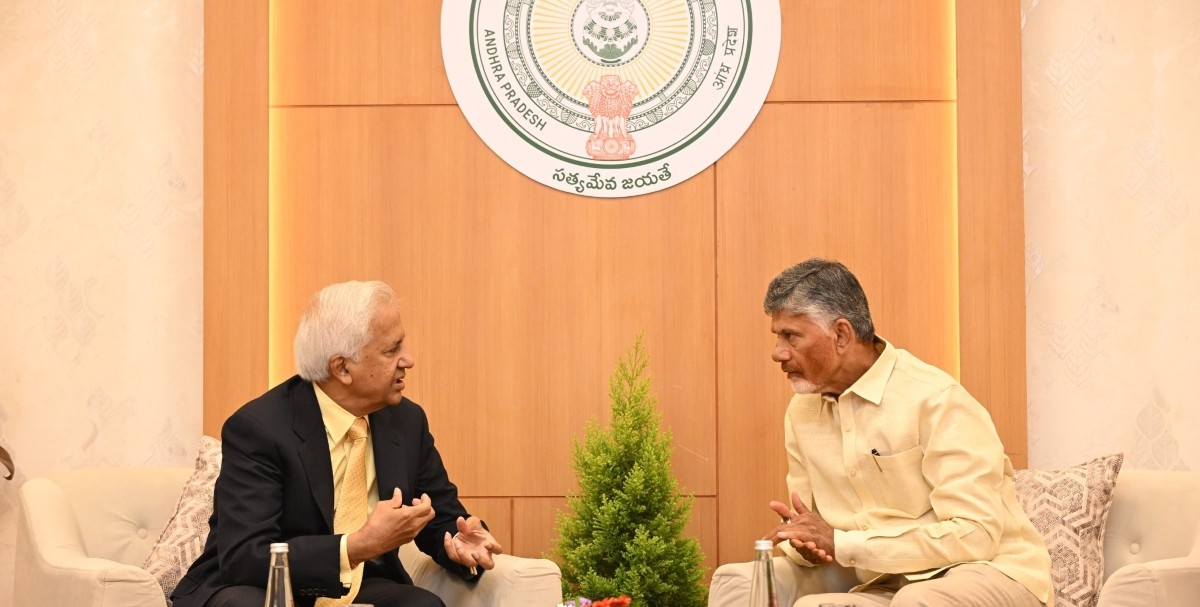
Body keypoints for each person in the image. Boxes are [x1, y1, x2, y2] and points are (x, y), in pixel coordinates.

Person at [172, 280, 503, 607]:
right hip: (260, 586)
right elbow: (247, 558)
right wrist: (357, 546)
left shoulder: (406, 422)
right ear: (343, 368)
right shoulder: (259, 429)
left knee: (423, 604)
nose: (409, 360)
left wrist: (460, 545)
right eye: (392, 350)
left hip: (354, 584)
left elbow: (440, 517)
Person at [760, 259, 1053, 607]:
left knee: (917, 601)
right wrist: (805, 544)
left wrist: (843, 544)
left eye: (791, 336)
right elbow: (818, 528)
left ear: (841, 334)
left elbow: (977, 535)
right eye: (778, 337)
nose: (777, 353)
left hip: (991, 571)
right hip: (888, 583)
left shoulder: (935, 399)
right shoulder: (802, 412)